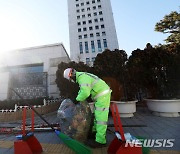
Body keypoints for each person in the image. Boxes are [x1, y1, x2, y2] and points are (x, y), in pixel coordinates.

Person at [63, 68, 112, 148]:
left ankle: (101, 141)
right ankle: (95, 133)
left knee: (101, 119)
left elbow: (85, 92)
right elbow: (82, 90)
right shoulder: (82, 76)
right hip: (101, 95)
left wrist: (77, 99)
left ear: (71, 77)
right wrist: (76, 98)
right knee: (97, 116)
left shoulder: (82, 77)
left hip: (102, 96)